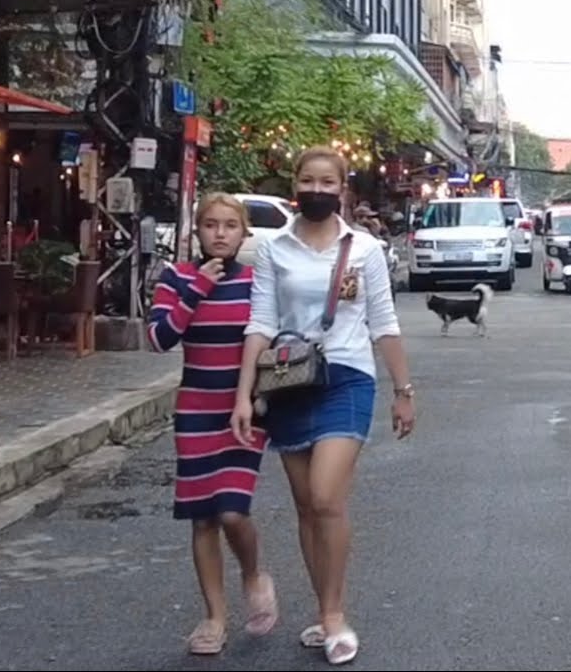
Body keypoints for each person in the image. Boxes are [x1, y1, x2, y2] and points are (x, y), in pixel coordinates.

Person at [231, 145, 416, 666]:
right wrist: (244, 394)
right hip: (288, 383)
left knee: (325, 495)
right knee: (306, 508)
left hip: (347, 378)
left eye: (327, 183)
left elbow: (384, 322)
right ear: (296, 183)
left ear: (342, 189)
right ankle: (323, 608)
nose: (316, 190)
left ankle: (335, 616)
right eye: (307, 181)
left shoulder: (366, 250)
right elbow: (260, 322)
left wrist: (404, 392)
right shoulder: (275, 248)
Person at [146, 192, 277, 656]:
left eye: (230, 225)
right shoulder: (176, 277)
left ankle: (253, 572)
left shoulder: (259, 281)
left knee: (232, 511)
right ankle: (215, 618)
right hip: (196, 411)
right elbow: (160, 338)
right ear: (197, 230)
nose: (220, 233)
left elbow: (276, 336)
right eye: (210, 225)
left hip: (246, 410)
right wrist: (197, 288)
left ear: (245, 234)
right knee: (202, 518)